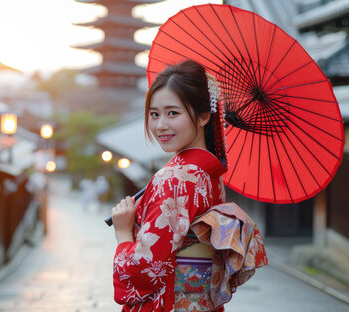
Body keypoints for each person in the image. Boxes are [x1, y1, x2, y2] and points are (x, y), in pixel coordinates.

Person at [111, 60, 267, 312]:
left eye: (173, 113)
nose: (161, 124)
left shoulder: (175, 178)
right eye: (154, 114)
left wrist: (123, 232)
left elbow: (144, 270)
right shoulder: (208, 174)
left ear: (205, 115)